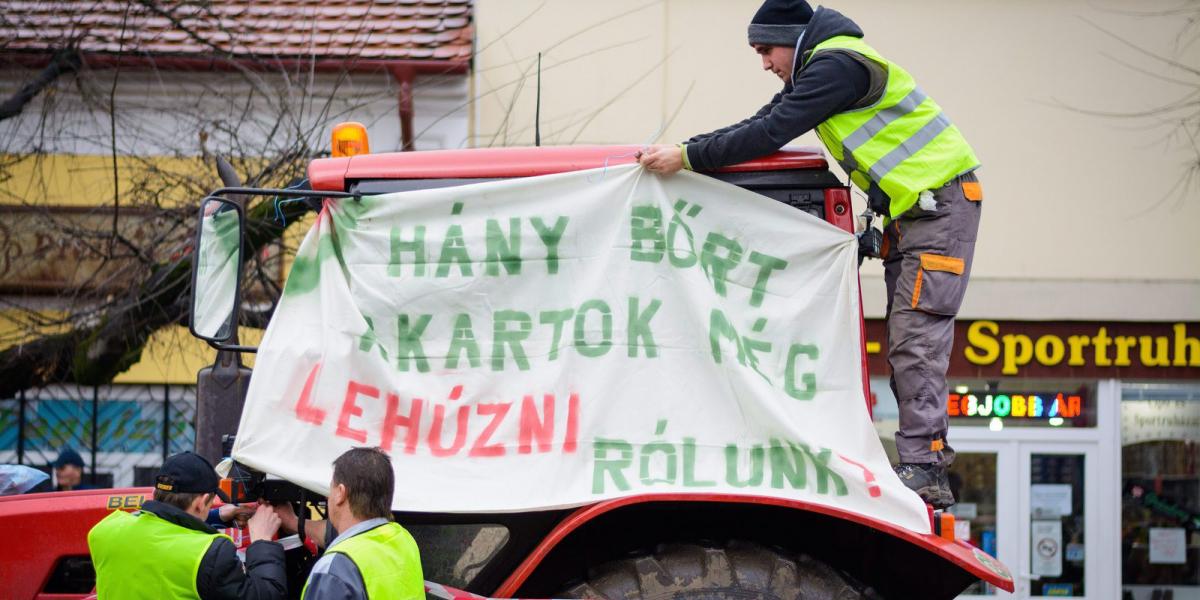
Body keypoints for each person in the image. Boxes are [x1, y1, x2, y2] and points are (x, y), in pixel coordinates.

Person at [637, 0, 981, 509]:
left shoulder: (838, 66)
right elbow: (763, 120)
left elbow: (770, 132)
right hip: (918, 212)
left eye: (766, 49)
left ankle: (925, 468)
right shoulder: (826, 68)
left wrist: (686, 158)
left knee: (915, 339)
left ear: (793, 37)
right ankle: (916, 461)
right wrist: (688, 151)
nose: (765, 63)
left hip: (938, 210)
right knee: (905, 340)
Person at [87, 451, 286, 599]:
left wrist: (216, 516)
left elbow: (158, 528)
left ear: (157, 493)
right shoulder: (210, 553)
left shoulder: (105, 530)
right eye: (209, 505)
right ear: (201, 502)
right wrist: (262, 540)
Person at [296, 447, 423, 600]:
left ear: (340, 493)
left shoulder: (334, 570)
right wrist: (293, 521)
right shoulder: (404, 541)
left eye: (330, 490)